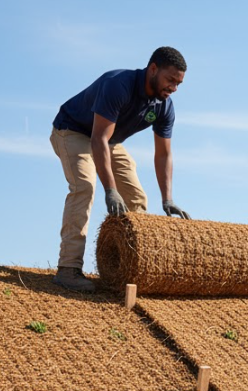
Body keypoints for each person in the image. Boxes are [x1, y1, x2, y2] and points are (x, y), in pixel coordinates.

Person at [50, 46, 191, 293]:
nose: (174, 88)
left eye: (179, 83)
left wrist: (167, 198)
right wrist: (111, 190)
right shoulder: (118, 85)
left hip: (109, 140)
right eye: (170, 80)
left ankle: (132, 270)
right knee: (85, 187)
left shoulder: (164, 106)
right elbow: (97, 139)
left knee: (137, 198)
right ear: (153, 69)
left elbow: (163, 154)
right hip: (73, 131)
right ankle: (68, 269)